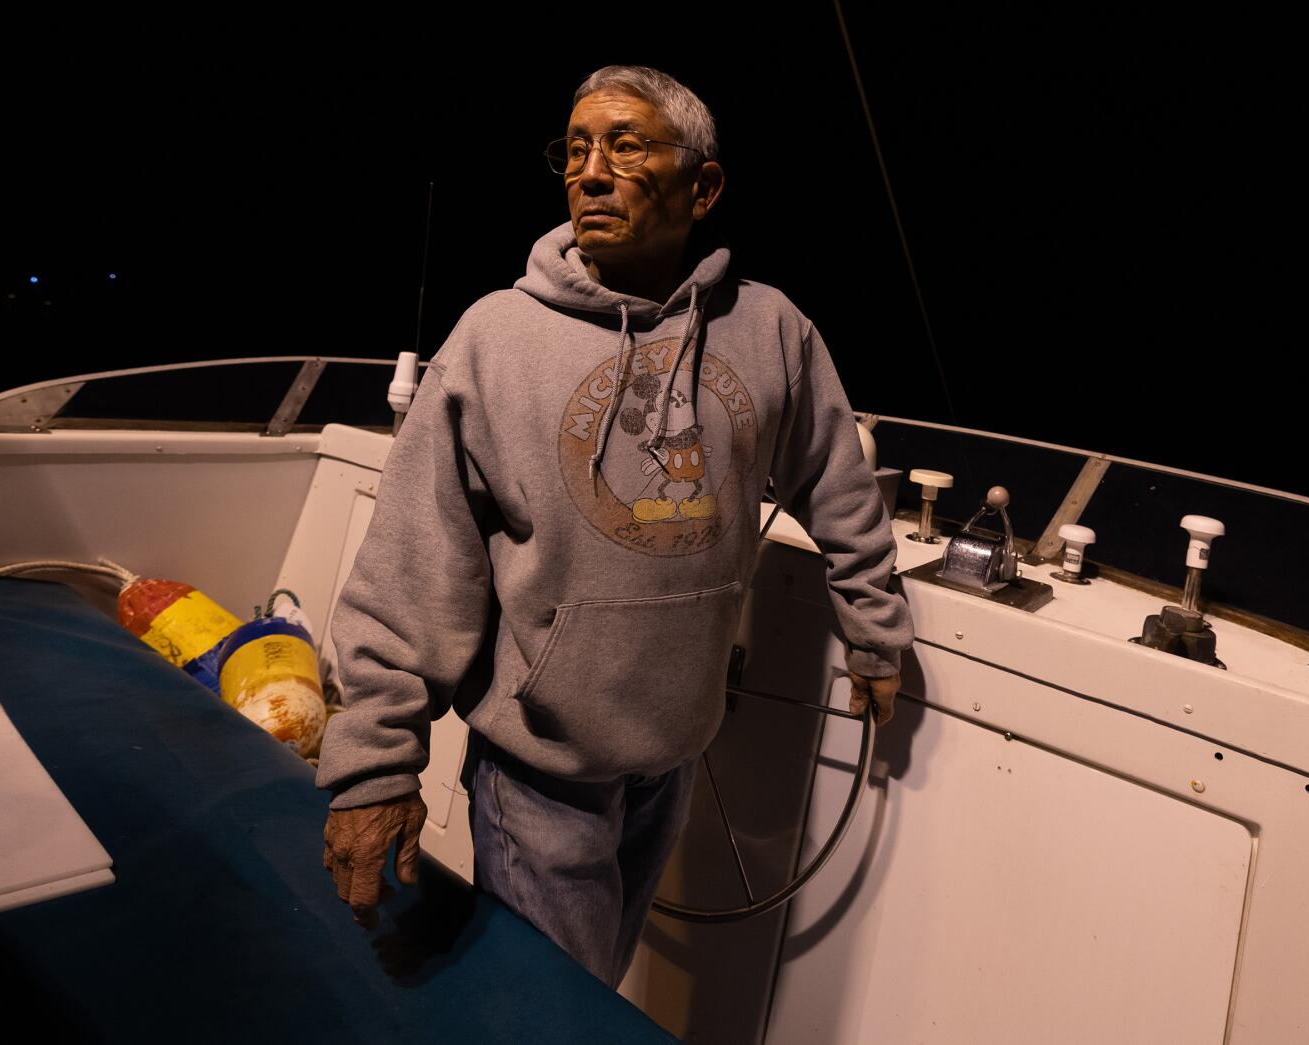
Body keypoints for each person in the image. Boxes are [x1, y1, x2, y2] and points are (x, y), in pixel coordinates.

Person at [317, 64, 912, 987]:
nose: (590, 171)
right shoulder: (495, 339)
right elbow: (413, 563)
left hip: (673, 749)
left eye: (627, 147)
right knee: (558, 1012)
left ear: (703, 186)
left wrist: (874, 631)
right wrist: (375, 762)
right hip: (539, 767)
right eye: (576, 149)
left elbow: (836, 480)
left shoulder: (772, 330)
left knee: (595, 993)